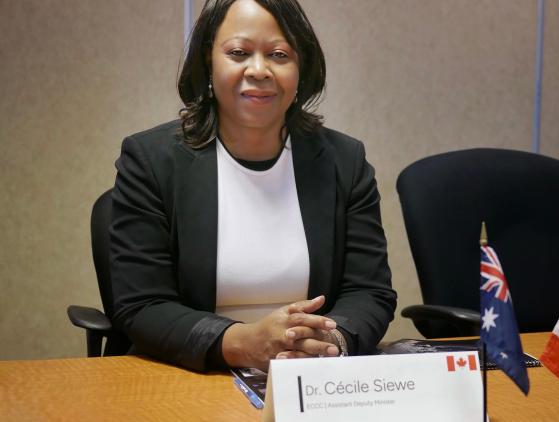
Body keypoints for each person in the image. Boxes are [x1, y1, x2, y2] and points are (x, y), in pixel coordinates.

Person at [109, 0, 396, 372]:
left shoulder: (345, 161)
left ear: (300, 68)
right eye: (239, 53)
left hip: (310, 379)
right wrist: (245, 343)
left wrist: (329, 341)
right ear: (208, 63)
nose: (259, 70)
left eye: (278, 54)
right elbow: (143, 304)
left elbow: (369, 291)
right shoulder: (151, 160)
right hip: (191, 376)